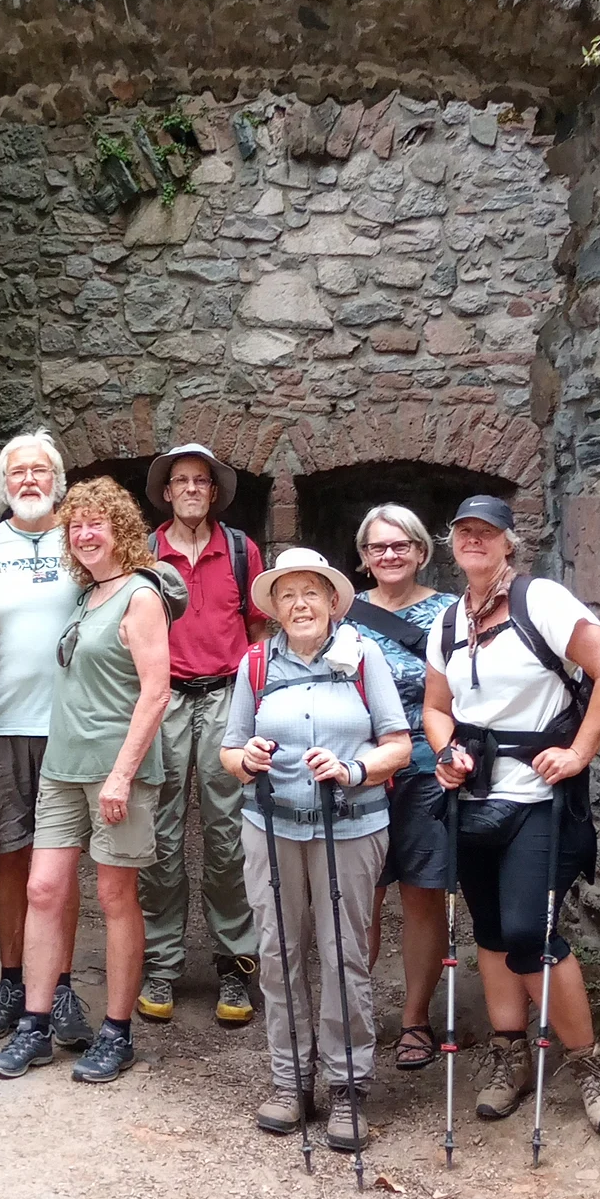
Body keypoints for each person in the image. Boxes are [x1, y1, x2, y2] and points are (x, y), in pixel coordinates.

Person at [422, 494, 600, 1136]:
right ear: (451, 542)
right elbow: (437, 707)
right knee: (489, 931)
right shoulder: (447, 621)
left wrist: (577, 753)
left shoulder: (540, 600)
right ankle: (508, 1053)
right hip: (474, 799)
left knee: (528, 933)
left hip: (537, 802)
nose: (475, 540)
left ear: (510, 542)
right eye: (464, 531)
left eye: (487, 532)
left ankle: (588, 1064)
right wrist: (446, 750)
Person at [219, 551, 412, 1149]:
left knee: (344, 954)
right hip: (271, 826)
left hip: (350, 828)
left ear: (332, 601)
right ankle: (289, 1080)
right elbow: (228, 752)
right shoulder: (255, 664)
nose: (300, 604)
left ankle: (347, 1086)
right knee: (278, 951)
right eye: (288, 595)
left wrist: (353, 768)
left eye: (312, 593)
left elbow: (399, 745)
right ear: (274, 608)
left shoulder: (363, 658)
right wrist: (246, 760)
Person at [0, 477, 172, 1087]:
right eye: (76, 526)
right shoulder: (86, 596)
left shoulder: (140, 596)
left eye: (96, 522)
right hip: (63, 768)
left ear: (120, 528)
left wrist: (121, 774)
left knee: (116, 897)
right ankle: (35, 1025)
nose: (85, 534)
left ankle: (117, 1032)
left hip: (116, 771)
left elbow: (156, 691)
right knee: (43, 890)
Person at [0, 432, 93, 1052]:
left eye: (41, 471)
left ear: (59, 480)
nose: (30, 481)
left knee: (59, 861)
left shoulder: (82, 541)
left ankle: (60, 984)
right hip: (1, 722)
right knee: (11, 856)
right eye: (18, 473)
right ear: (3, 483)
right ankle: (14, 980)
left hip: (71, 726)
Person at [139, 443, 264, 1029]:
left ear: (213, 492)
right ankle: (160, 960)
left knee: (229, 835)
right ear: (167, 492)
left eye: (201, 481)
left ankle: (234, 964)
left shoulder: (241, 550)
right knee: (158, 834)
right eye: (180, 481)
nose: (191, 489)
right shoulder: (143, 552)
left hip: (227, 697)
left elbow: (261, 630)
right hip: (161, 700)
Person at [348, 505, 457, 1071]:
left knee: (420, 892)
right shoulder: (345, 617)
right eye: (376, 548)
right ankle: (354, 1013)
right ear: (363, 558)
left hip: (422, 769)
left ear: (420, 550)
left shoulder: (447, 613)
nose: (388, 556)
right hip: (358, 771)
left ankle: (415, 1018)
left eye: (400, 546)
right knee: (360, 894)